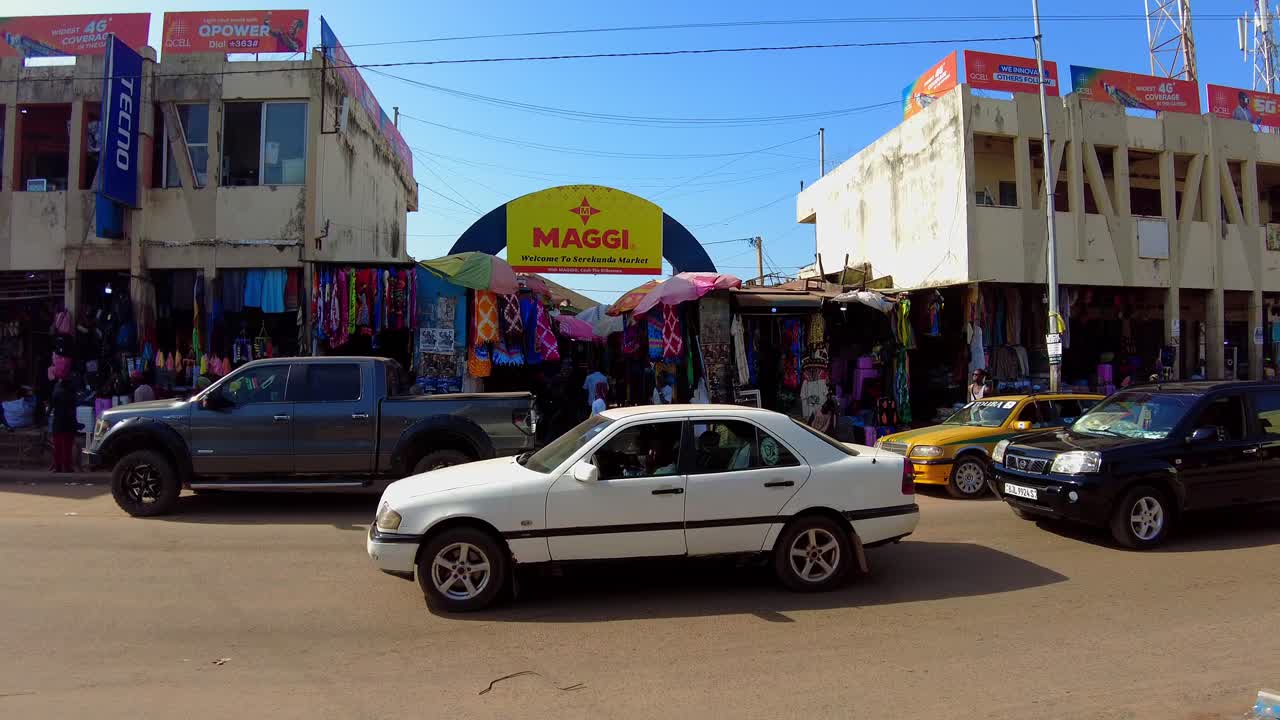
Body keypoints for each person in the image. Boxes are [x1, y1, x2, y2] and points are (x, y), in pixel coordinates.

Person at [50, 378, 79, 473]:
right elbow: (72, 412)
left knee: (57, 447)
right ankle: (67, 467)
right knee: (67, 447)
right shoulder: (71, 396)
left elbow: (51, 407)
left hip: (57, 422)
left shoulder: (55, 393)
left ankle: (57, 467)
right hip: (68, 423)